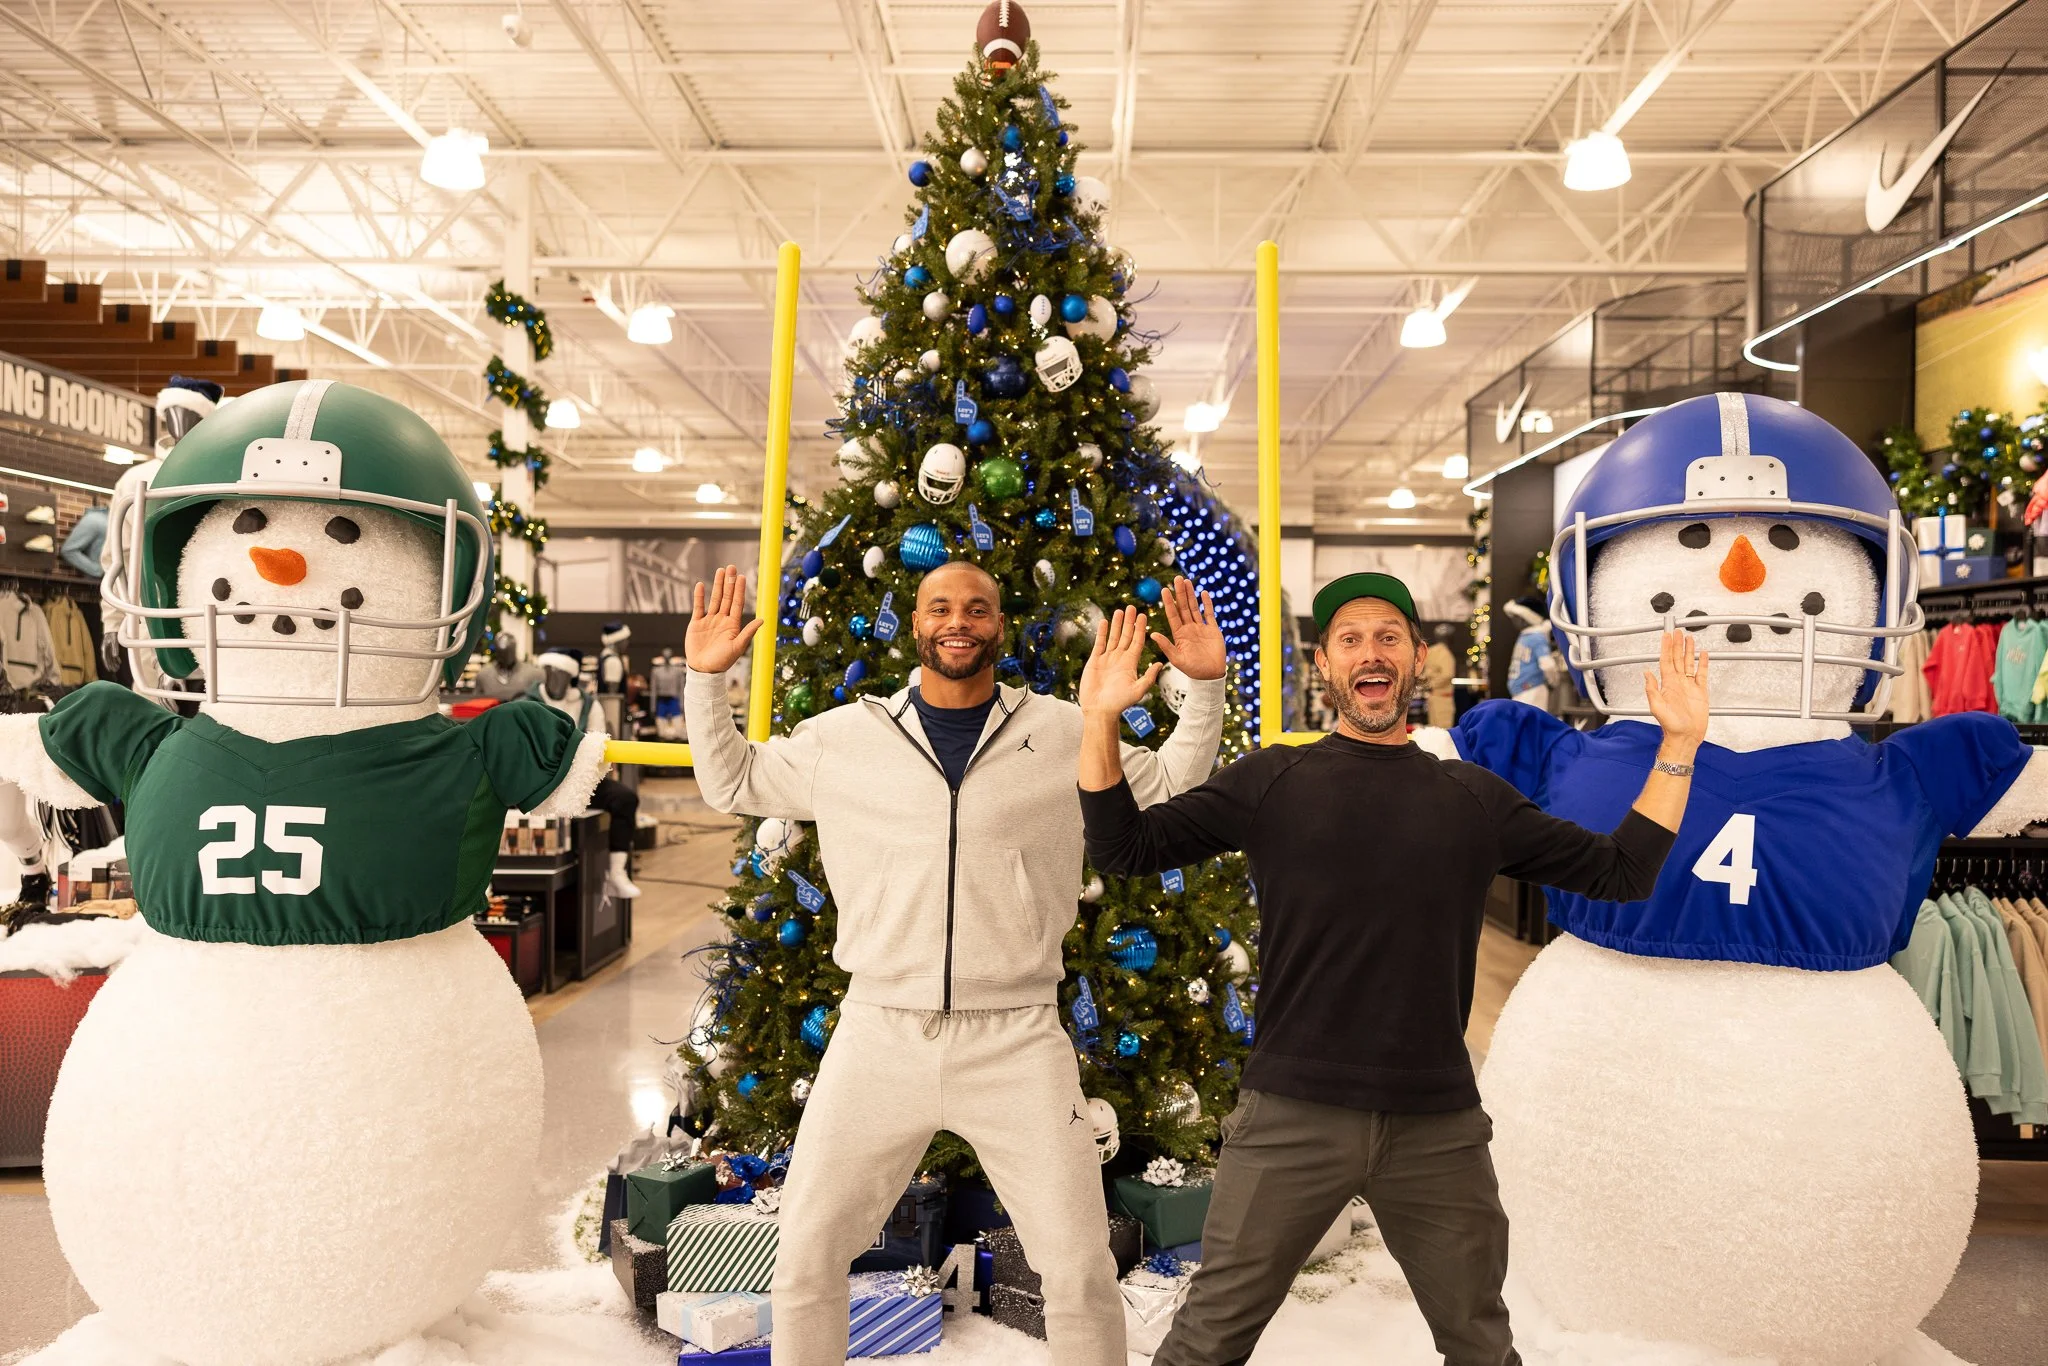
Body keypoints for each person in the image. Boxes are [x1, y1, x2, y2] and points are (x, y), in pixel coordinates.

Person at [1072, 571, 1711, 1366]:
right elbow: (1122, 847)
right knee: (1204, 1345)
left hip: (1435, 1124)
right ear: (1328, 666)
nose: (1369, 653)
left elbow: (1623, 872)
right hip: (1290, 1114)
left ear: (1414, 657)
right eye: (1349, 639)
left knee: (1482, 1345)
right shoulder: (1272, 780)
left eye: (1387, 637)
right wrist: (1100, 719)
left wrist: (1679, 745)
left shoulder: (1475, 797)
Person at [682, 561, 1229, 1366]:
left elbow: (1177, 779)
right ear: (915, 624)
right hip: (879, 1030)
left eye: (978, 607)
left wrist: (1205, 686)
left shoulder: (1066, 733)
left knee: (1078, 1270)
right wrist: (705, 677)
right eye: (940, 607)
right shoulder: (844, 739)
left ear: (999, 626)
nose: (959, 621)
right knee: (803, 1257)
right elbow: (730, 780)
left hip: (1018, 1036)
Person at [531, 650, 642, 899]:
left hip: (579, 777)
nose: (553, 678)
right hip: (535, 779)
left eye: (559, 673)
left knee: (625, 798)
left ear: (569, 676)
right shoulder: (527, 699)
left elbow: (597, 744)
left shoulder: (589, 704)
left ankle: (616, 872)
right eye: (549, 672)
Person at [473, 631, 544, 701]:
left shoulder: (534, 674)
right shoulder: (483, 675)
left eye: (509, 652)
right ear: (497, 651)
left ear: (514, 650)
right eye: (502, 652)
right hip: (493, 711)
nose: (506, 656)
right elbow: (476, 704)